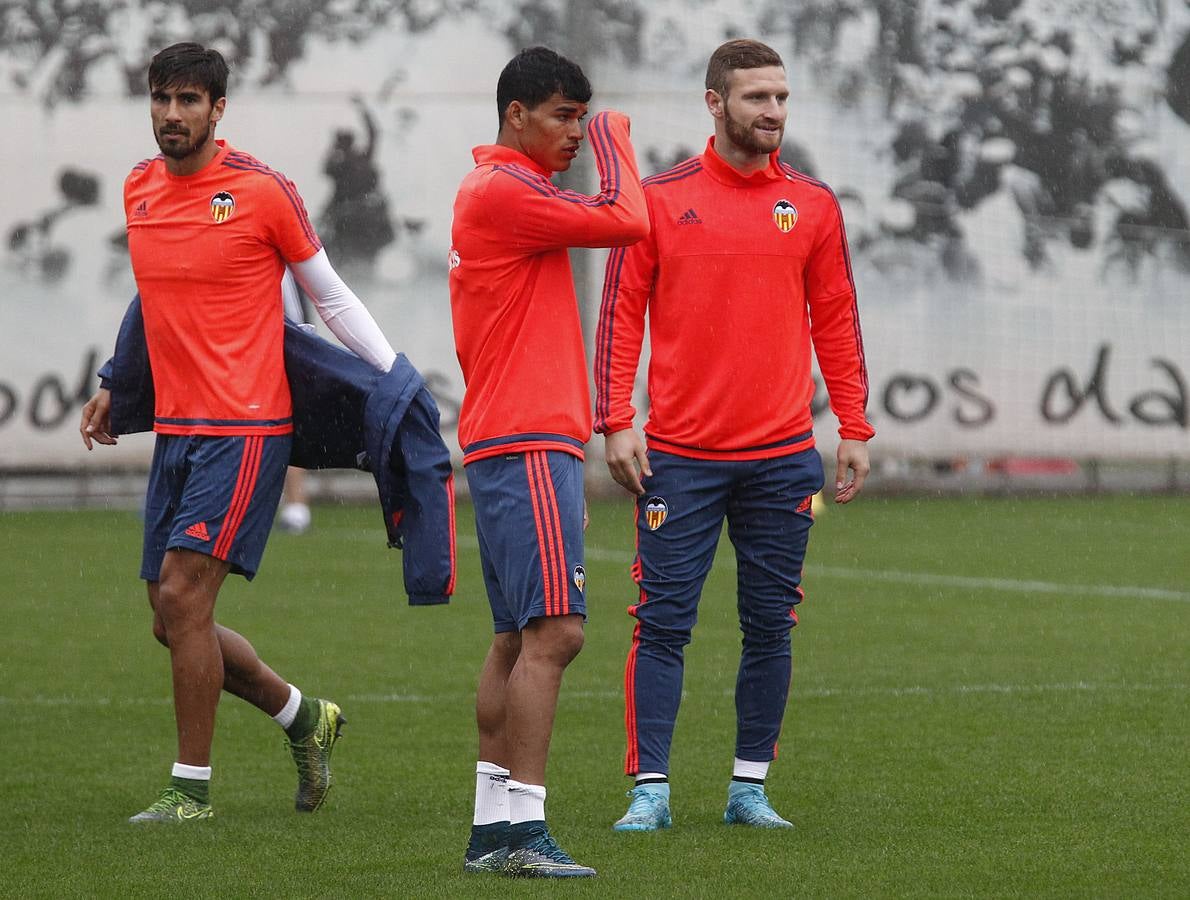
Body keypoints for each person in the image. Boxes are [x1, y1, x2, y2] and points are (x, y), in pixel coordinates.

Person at [79, 42, 398, 824]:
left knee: (186, 597)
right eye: (162, 99)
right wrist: (117, 384)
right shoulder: (139, 188)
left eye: (189, 101)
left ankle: (189, 791)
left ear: (219, 110)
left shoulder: (260, 191)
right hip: (179, 429)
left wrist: (398, 381)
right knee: (168, 617)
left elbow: (330, 295)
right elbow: (150, 297)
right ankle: (302, 715)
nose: (172, 115)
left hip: (247, 429)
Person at [593, 38, 874, 832]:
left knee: (770, 622)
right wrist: (617, 421)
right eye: (757, 98)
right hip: (679, 458)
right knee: (663, 623)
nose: (773, 112)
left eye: (781, 98)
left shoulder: (812, 204)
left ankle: (748, 789)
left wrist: (852, 425)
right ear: (715, 103)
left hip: (784, 459)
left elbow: (838, 319)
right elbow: (620, 319)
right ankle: (650, 789)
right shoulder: (657, 199)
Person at [449, 46, 647, 877]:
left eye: (581, 117)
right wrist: (617, 135)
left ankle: (492, 825)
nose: (573, 132)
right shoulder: (507, 188)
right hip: (528, 437)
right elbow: (629, 218)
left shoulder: (499, 190)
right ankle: (524, 829)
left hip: (515, 439)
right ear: (515, 115)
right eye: (564, 115)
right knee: (557, 633)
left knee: (514, 637)